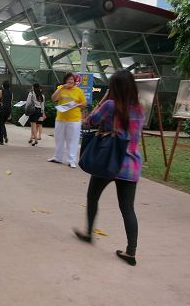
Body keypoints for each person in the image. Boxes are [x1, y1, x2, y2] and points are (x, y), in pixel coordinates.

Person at [73, 70, 144, 266]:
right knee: (128, 209)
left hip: (109, 161)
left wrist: (105, 98)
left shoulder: (110, 105)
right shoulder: (139, 109)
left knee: (92, 196)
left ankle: (88, 233)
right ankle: (131, 252)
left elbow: (91, 120)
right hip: (131, 165)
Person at [48, 73, 86, 168]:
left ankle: (71, 160)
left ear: (74, 81)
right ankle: (57, 157)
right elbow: (53, 98)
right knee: (58, 138)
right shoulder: (61, 88)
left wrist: (76, 104)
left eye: (72, 79)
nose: (70, 81)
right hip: (61, 117)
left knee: (72, 139)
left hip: (74, 119)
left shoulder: (78, 91)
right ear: (65, 81)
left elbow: (84, 103)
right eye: (68, 79)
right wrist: (61, 88)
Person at [0, 80, 12, 145]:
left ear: (3, 85)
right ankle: (5, 136)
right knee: (3, 124)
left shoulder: (1, 91)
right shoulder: (11, 93)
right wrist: (10, 113)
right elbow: (10, 103)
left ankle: (1, 140)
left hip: (2, 109)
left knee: (1, 124)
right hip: (8, 110)